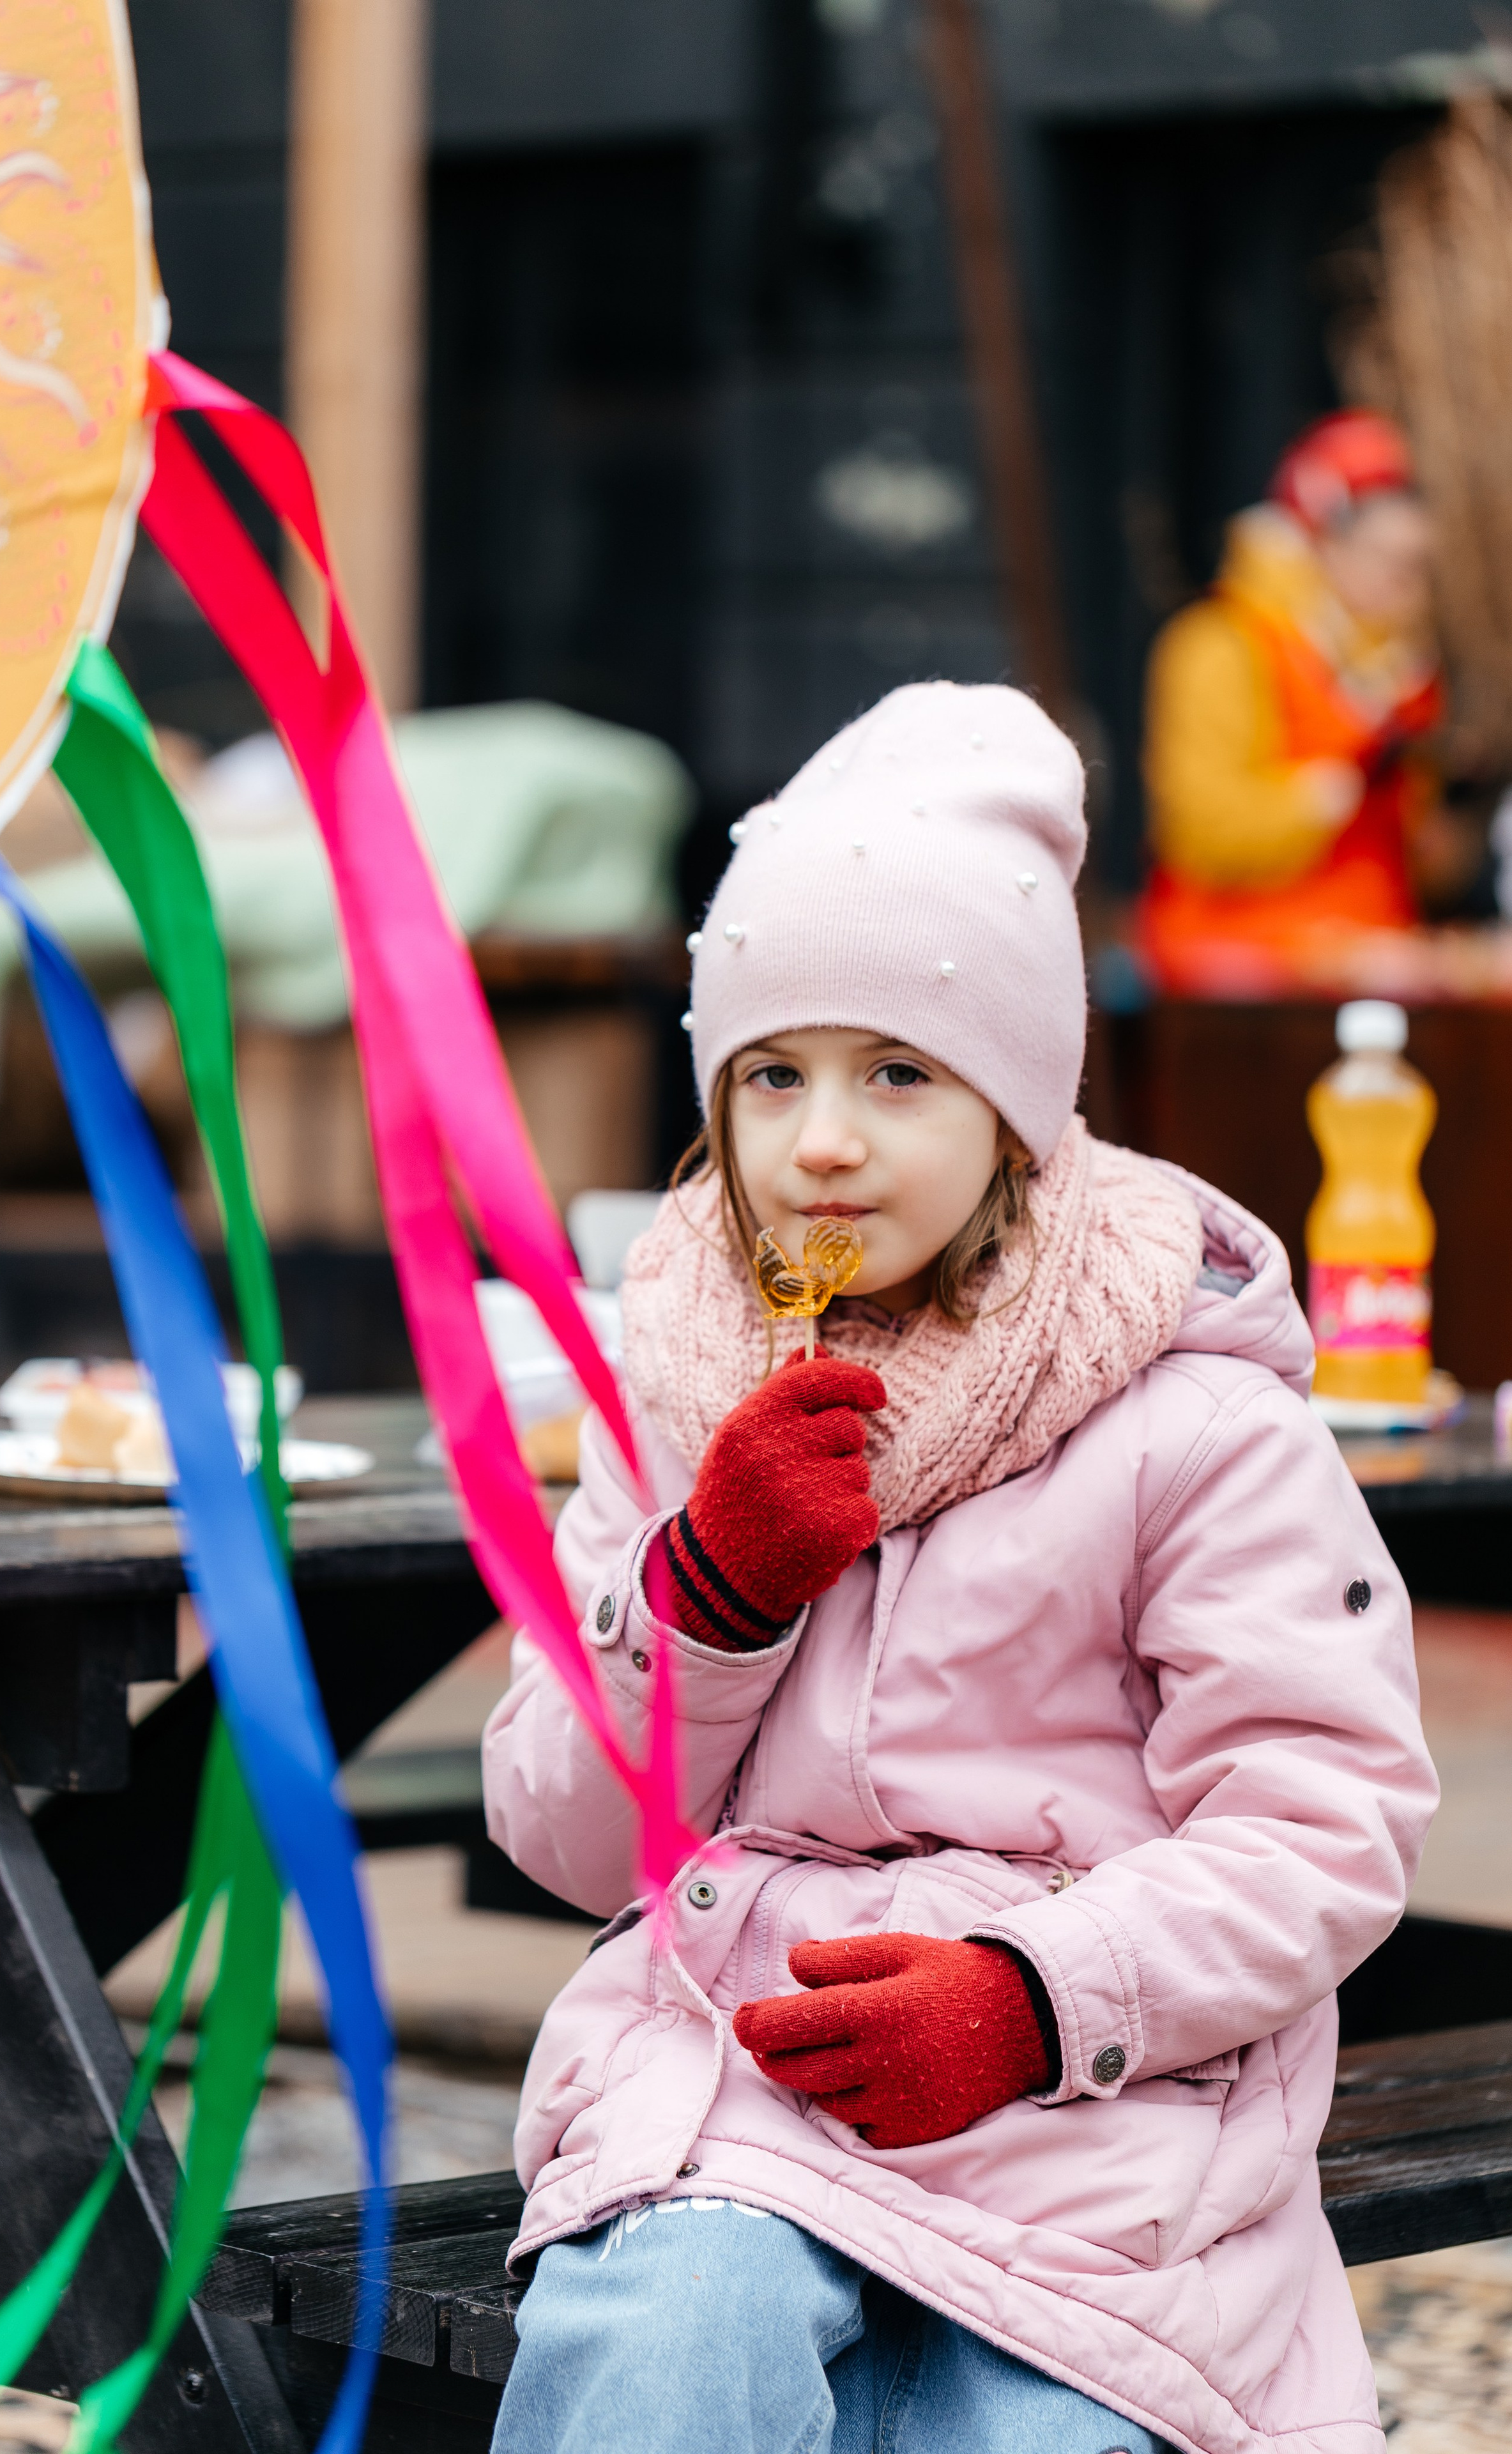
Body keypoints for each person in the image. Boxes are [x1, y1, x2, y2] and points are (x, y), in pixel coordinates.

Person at [483, 680, 1436, 2454]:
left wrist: (1035, 1996)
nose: (824, 1139)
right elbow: (561, 1834)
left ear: (1015, 1109)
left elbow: (1327, 1816)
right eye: (772, 1075)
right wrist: (709, 1597)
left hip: (1091, 2104)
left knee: (1034, 2425)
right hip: (734, 2086)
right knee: (663, 2344)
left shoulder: (1187, 1414)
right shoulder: (682, 1387)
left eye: (897, 1074)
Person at [1141, 409, 1445, 995]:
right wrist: (1321, 796)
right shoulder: (1220, 646)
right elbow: (1200, 830)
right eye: (1387, 561)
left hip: (1383, 955)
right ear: (1319, 543)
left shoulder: (1407, 667)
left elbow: (1412, 852)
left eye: (1415, 569)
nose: (1402, 587)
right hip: (1239, 960)